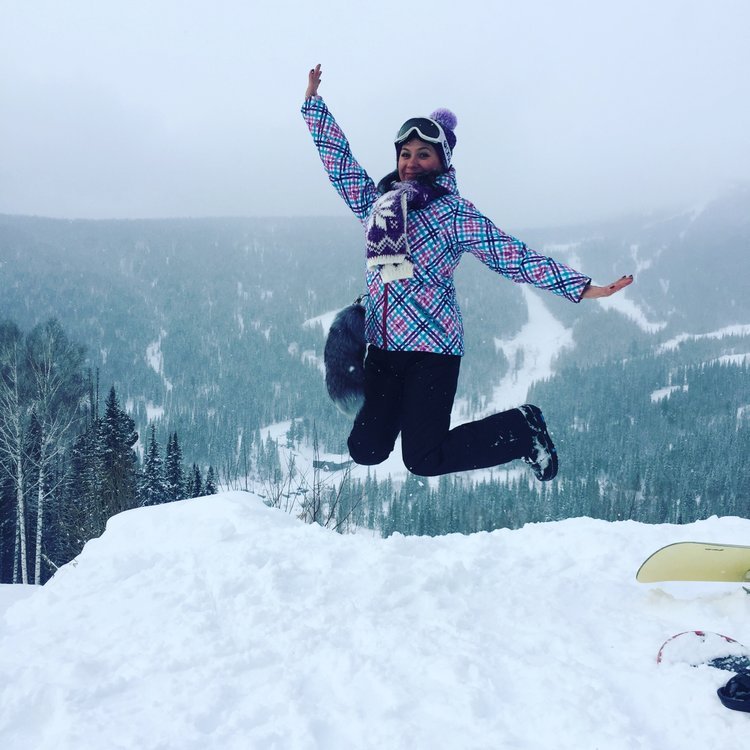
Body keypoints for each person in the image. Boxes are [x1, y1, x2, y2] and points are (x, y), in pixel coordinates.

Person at [302, 64, 633, 481]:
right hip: (384, 348)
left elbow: (512, 256)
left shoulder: (454, 213)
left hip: (433, 353)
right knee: (366, 449)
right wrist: (314, 105)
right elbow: (341, 165)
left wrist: (582, 288)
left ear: (442, 161)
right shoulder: (378, 206)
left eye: (423, 154)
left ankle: (523, 428)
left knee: (423, 459)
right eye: (405, 154)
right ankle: (404, 412)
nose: (411, 163)